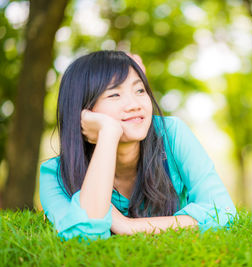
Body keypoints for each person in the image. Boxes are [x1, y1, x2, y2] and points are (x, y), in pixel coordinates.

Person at [39, 50, 237, 240]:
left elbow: (223, 212)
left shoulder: (171, 134)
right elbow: (83, 235)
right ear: (84, 111)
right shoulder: (56, 174)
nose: (135, 104)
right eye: (114, 95)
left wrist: (128, 226)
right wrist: (108, 132)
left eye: (140, 90)